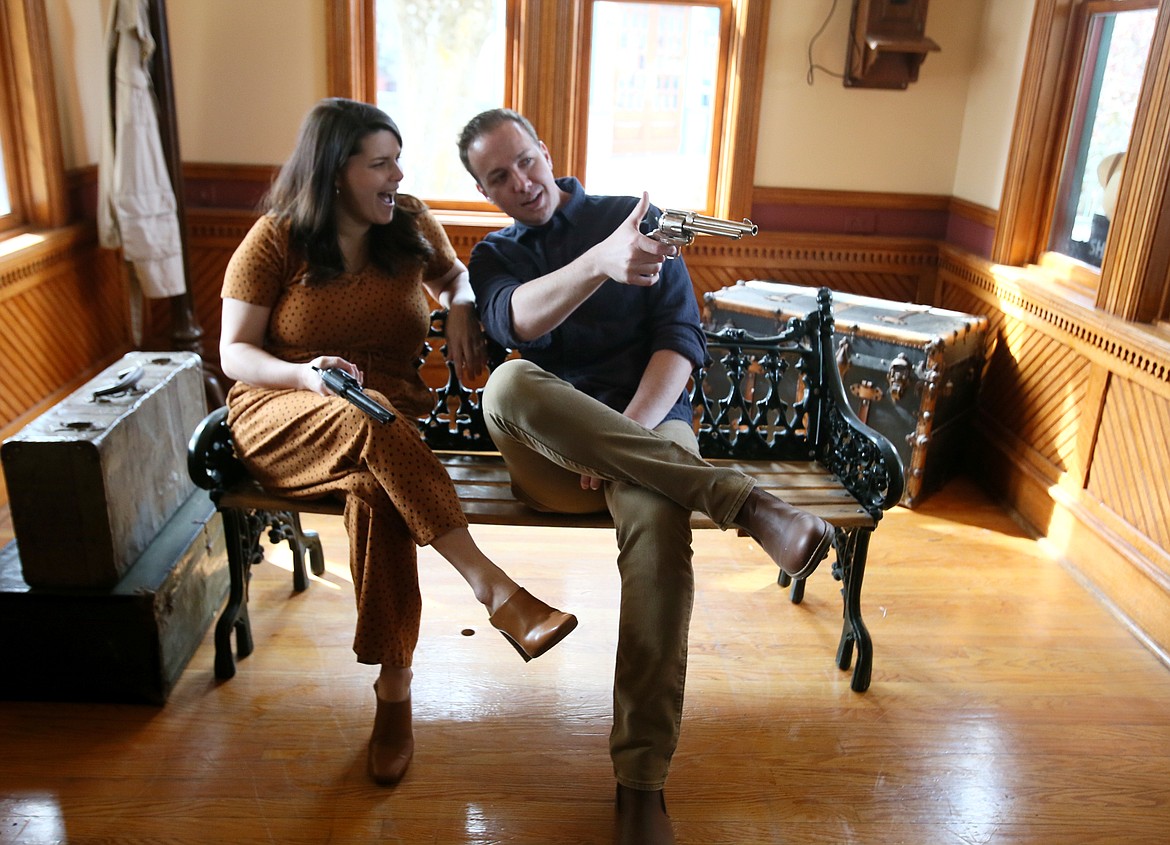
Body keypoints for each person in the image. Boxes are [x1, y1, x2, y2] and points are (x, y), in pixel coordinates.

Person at [457, 108, 834, 845]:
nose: (522, 181)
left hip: (648, 427)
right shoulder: (495, 255)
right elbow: (515, 327)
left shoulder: (633, 218)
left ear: (548, 150)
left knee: (662, 526)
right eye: (498, 176)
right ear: (482, 190)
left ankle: (640, 782)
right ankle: (746, 504)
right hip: (553, 453)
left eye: (526, 160)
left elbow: (679, 339)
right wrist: (598, 264)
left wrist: (624, 435)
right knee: (507, 385)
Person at [218, 98, 577, 787]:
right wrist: (305, 373)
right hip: (283, 410)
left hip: (383, 429)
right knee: (367, 416)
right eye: (380, 163)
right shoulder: (277, 238)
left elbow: (455, 278)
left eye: (397, 159)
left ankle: (395, 689)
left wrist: (465, 303)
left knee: (376, 488)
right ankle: (494, 588)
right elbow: (235, 351)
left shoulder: (407, 221)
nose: (397, 174)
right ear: (333, 173)